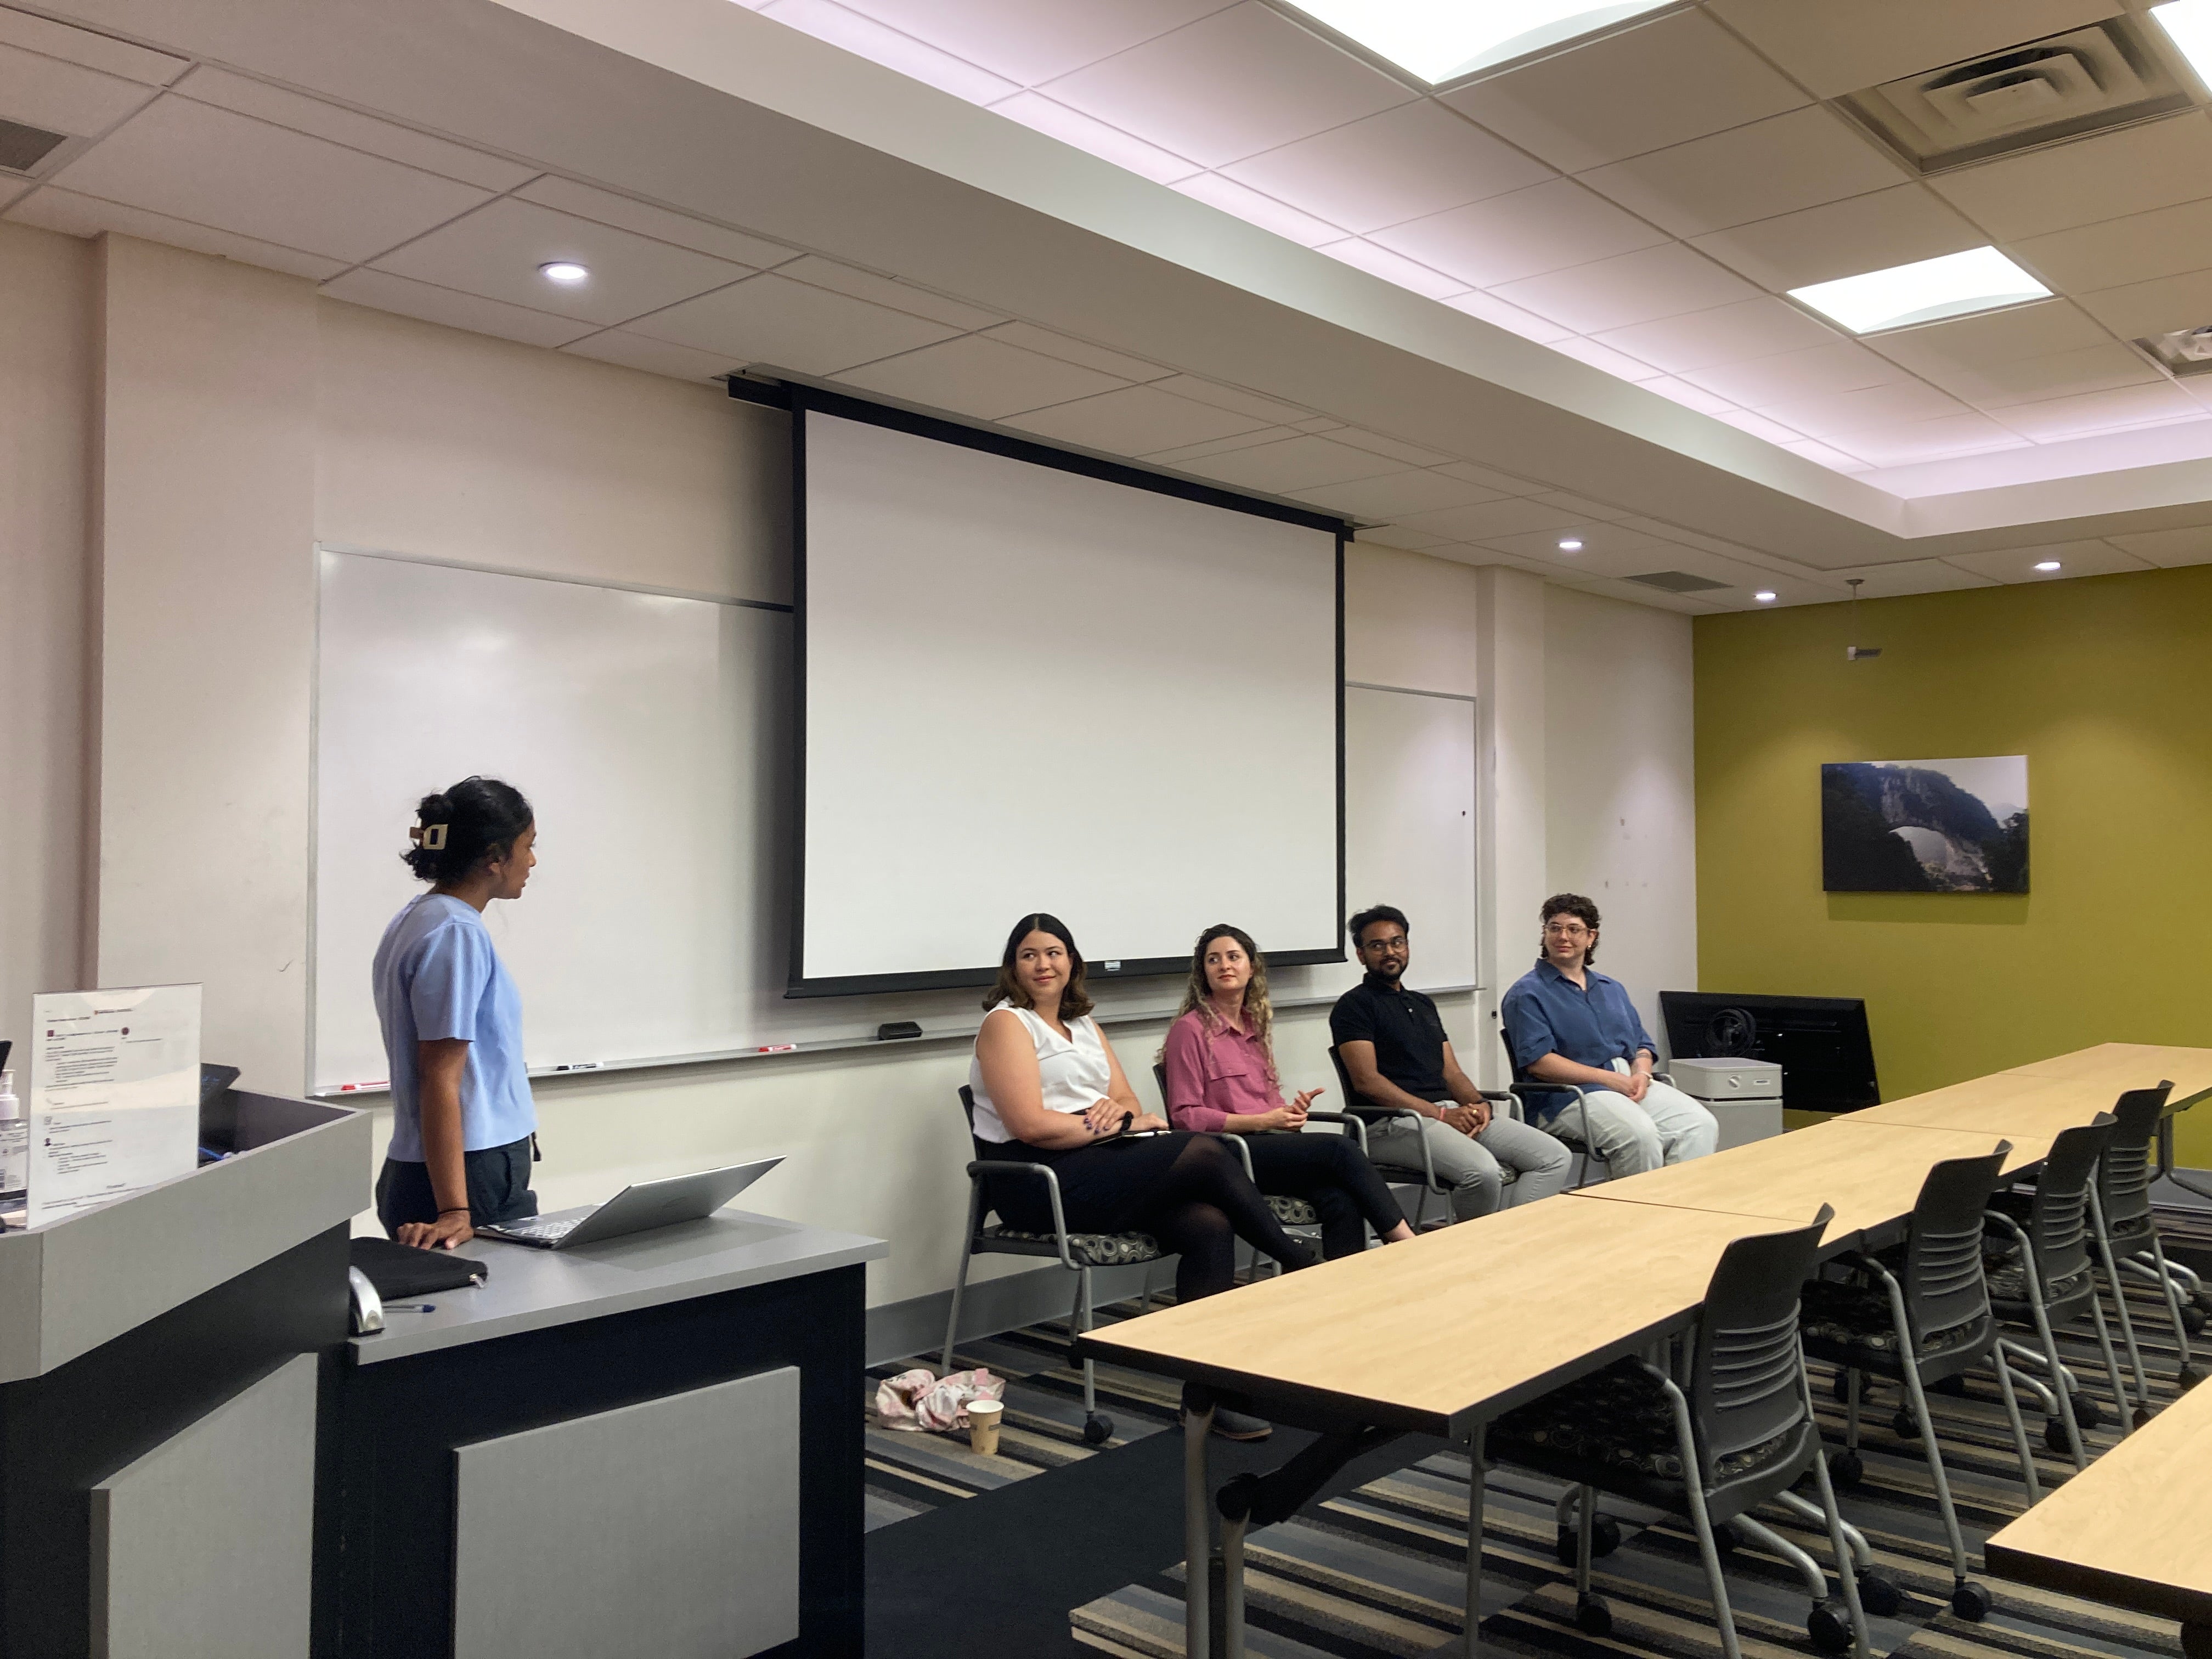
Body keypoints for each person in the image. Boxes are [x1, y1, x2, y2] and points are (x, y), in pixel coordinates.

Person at [970, 913, 1314, 1440]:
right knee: (1202, 1149)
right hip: (1037, 1183)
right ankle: (1295, 1260)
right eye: (1030, 955)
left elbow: (1129, 1101)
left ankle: (1204, 1398)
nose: (1044, 964)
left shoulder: (1082, 1023)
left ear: (1072, 962)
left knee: (1208, 1225)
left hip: (1097, 1165)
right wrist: (1104, 1123)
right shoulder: (1006, 1023)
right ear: (1013, 967)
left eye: (1055, 953)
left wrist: (1121, 1119)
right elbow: (1030, 1124)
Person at [1160, 924, 1414, 1260]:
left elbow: (1267, 1105)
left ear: (1251, 968)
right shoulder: (1189, 1030)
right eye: (1214, 960)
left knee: (1342, 1197)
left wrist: (1288, 1115)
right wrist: (1264, 1120)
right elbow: (1185, 1116)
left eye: (1234, 957)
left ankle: (1347, 1290)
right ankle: (1406, 1241)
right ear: (1202, 973)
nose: (1225, 966)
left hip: (1267, 1146)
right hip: (1228, 1155)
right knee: (1339, 1148)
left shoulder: (1254, 1024)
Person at [372, 777, 541, 1250]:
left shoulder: (420, 917)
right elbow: (439, 1075)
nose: (532, 862)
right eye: (526, 847)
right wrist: (455, 1210)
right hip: (468, 1174)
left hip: (443, 1168)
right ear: (494, 857)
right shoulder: (455, 932)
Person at [1328, 904, 1573, 1221]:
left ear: (1407, 947)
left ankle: (1512, 1240)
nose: (1390, 951)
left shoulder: (1422, 1004)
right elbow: (1367, 1082)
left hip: (1444, 1113)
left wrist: (1478, 1103)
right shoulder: (1354, 1006)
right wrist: (1441, 1114)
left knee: (1553, 1157)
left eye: (1397, 942)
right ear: (1361, 955)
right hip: (1389, 1125)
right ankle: (1472, 1256)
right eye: (1377, 945)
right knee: (1483, 1173)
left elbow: (1451, 1071)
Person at [1500, 893, 1718, 1177]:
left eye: (1573, 929)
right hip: (1567, 1095)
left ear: (1591, 937)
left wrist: (1642, 1075)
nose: (1562, 936)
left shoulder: (1610, 988)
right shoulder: (1527, 994)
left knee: (1700, 1124)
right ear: (1545, 934)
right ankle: (1637, 1217)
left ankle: (1679, 1210)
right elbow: (1540, 1064)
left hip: (1627, 1082)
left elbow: (1642, 1045)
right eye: (1554, 928)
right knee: (1639, 1135)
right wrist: (1611, 1080)